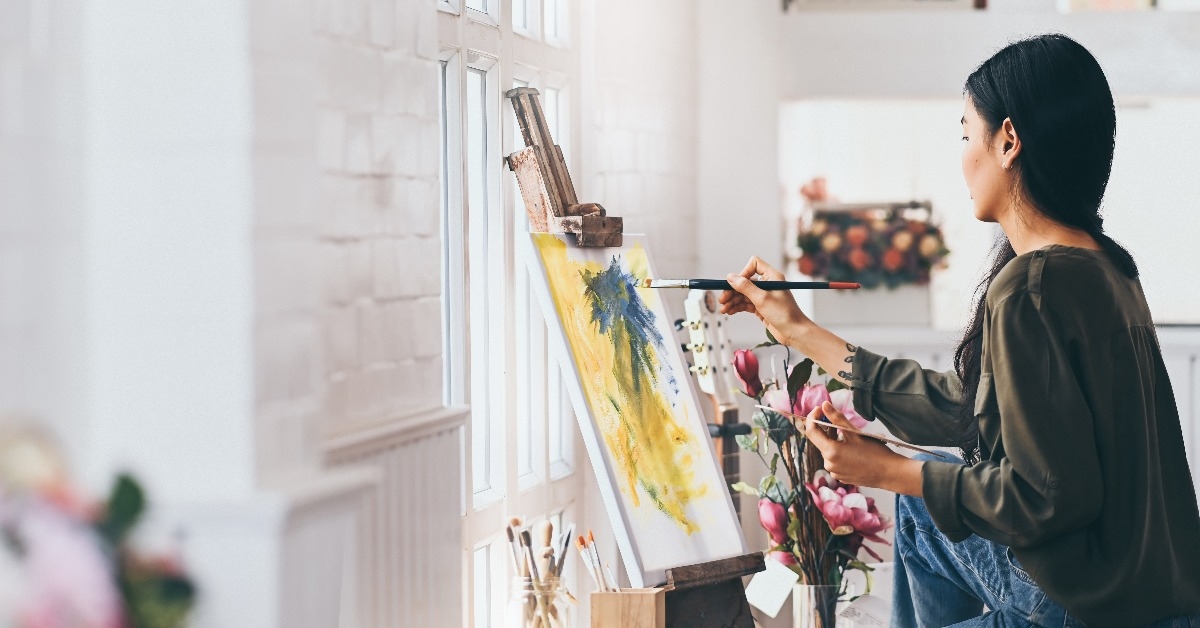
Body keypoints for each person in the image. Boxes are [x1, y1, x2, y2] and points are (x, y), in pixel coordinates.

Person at [720, 34, 1200, 628]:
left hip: (1083, 607)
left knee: (919, 497)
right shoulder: (1104, 267)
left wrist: (888, 470)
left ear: (1008, 141)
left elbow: (1043, 497)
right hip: (1149, 591)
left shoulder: (1031, 287)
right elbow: (969, 408)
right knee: (922, 515)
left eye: (966, 134)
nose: (964, 156)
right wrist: (796, 329)